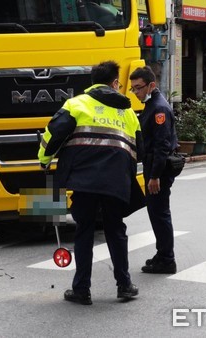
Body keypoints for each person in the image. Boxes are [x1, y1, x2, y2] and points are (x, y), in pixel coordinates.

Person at [38, 61, 143, 305]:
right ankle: (124, 285)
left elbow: (53, 134)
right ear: (115, 83)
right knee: (115, 230)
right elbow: (140, 150)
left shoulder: (76, 104)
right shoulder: (128, 113)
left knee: (83, 231)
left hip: (84, 181)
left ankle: (81, 290)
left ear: (92, 81)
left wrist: (43, 160)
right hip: (116, 182)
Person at [129, 66, 178, 274]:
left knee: (160, 214)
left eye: (138, 88)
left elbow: (162, 144)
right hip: (152, 167)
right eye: (132, 89)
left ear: (151, 85)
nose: (136, 93)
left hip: (159, 170)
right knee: (156, 213)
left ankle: (167, 259)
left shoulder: (159, 108)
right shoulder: (151, 104)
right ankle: (162, 254)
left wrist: (155, 176)